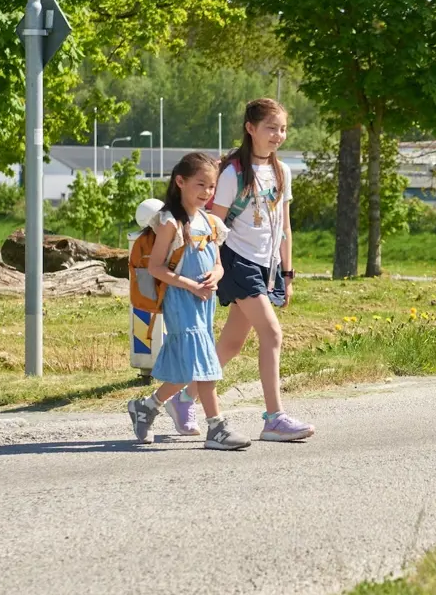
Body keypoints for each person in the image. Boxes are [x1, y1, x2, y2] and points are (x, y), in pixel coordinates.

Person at [126, 152, 251, 450]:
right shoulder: (170, 223)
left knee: (187, 369)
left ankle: (147, 406)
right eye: (200, 185)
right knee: (204, 362)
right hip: (181, 300)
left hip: (203, 301)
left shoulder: (210, 222)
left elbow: (219, 263)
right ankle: (217, 427)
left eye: (211, 187)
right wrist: (191, 286)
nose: (207, 193)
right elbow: (157, 267)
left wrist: (215, 276)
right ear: (180, 182)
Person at [212, 98, 314, 442]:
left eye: (283, 128)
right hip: (237, 261)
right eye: (271, 128)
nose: (278, 135)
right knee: (272, 333)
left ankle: (169, 399)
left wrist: (287, 273)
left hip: (265, 265)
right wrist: (211, 268)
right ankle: (274, 417)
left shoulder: (282, 172)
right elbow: (213, 224)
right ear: (250, 128)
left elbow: (284, 226)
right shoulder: (232, 173)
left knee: (231, 343)